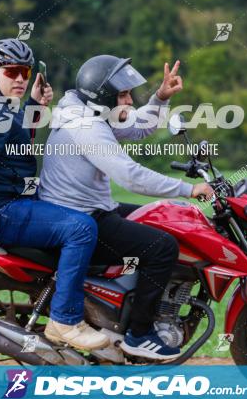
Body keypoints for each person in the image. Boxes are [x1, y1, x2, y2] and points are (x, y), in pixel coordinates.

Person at [39, 55, 213, 360]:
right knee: (162, 247)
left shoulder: (88, 112)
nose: (130, 100)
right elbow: (130, 176)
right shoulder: (86, 127)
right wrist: (189, 189)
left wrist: (160, 97)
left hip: (89, 208)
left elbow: (138, 127)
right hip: (82, 218)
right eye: (123, 95)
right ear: (104, 97)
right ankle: (140, 334)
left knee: (164, 220)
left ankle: (125, 308)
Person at [0, 38, 109, 351]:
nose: (21, 78)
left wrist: (34, 106)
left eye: (26, 72)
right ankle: (65, 320)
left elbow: (10, 140)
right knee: (82, 228)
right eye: (13, 72)